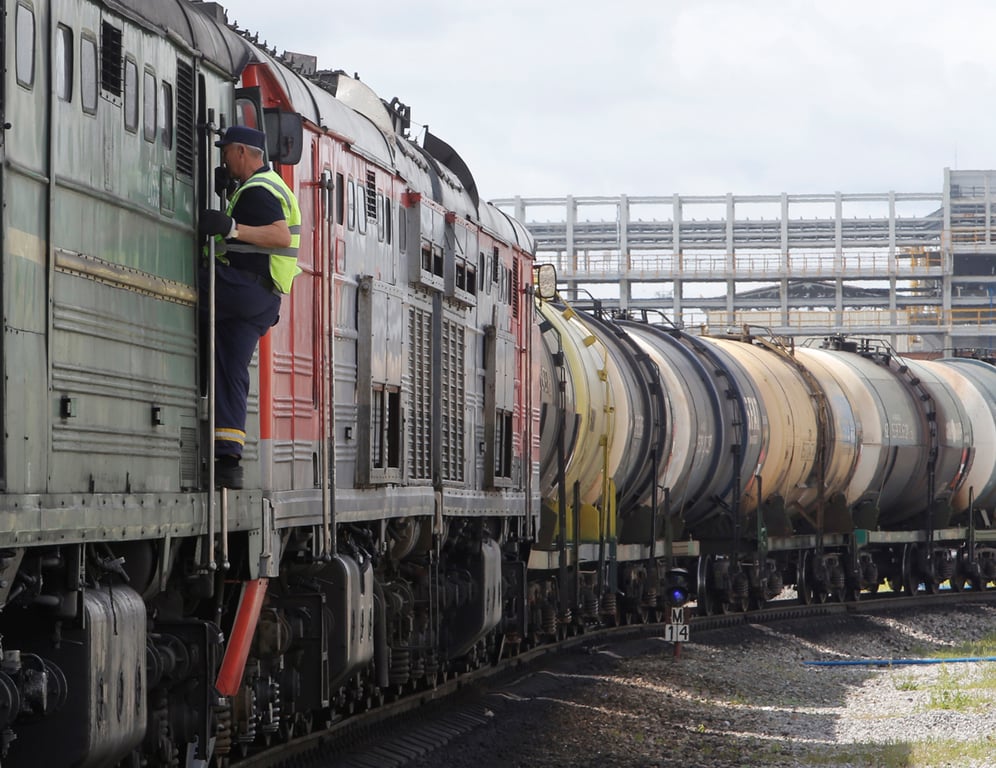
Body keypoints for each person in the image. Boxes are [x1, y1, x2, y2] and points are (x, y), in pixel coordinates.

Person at [199, 125, 302, 489]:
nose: (223, 158)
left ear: (242, 152)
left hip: (245, 289)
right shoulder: (270, 185)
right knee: (231, 369)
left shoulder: (259, 189)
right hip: (261, 298)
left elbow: (279, 235)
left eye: (226, 150)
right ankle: (228, 457)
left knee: (186, 284)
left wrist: (231, 228)